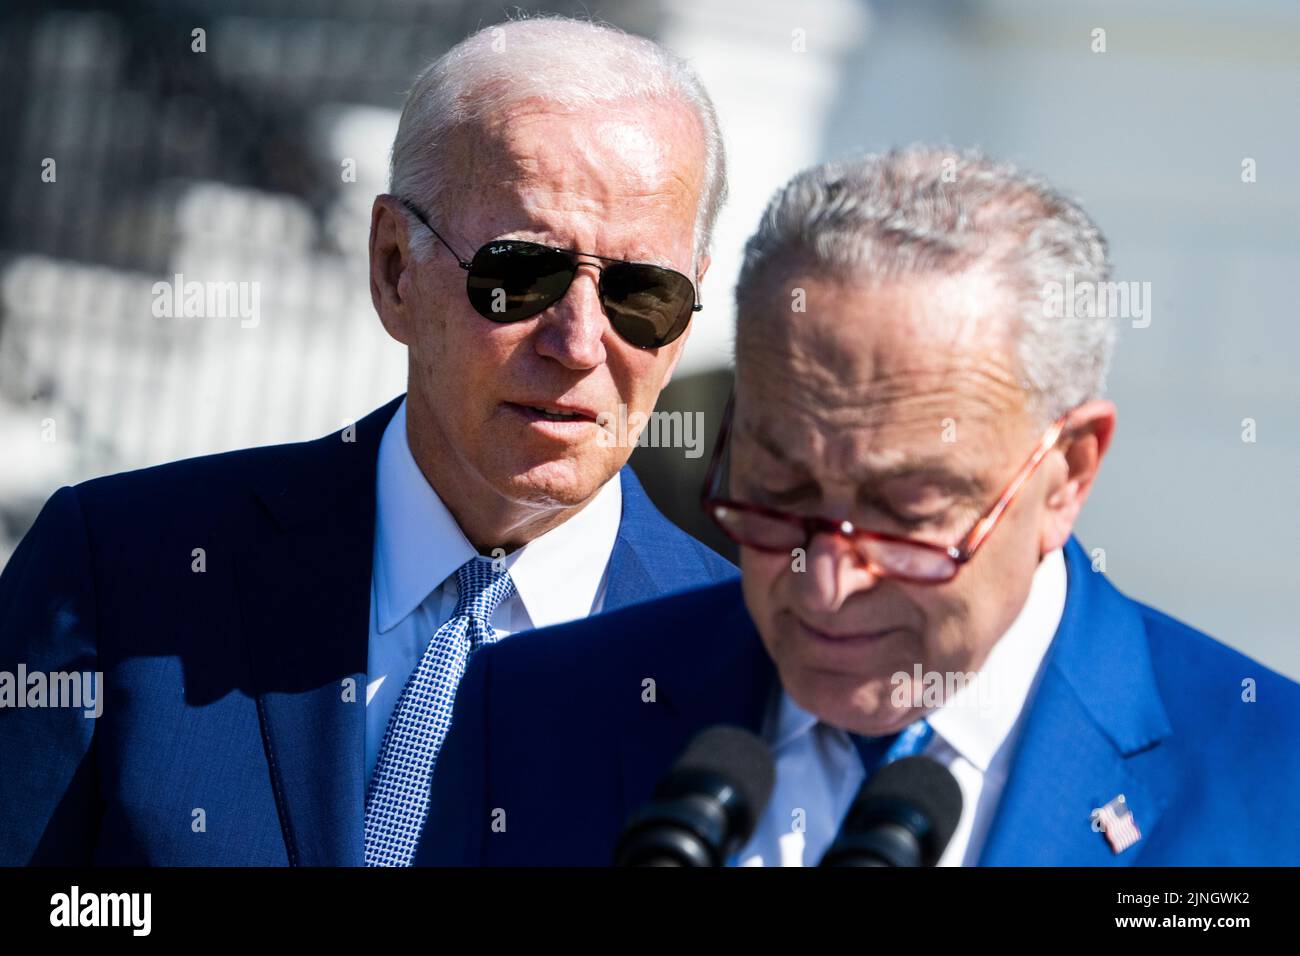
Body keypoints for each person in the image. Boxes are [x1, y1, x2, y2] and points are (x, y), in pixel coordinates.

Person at [416, 147, 1300, 866]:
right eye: (779, 488)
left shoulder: (1272, 782)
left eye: (908, 512)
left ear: (1067, 472)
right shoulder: (538, 709)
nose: (826, 583)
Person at [0, 17, 736, 866]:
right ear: (394, 267)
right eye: (517, 275)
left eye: (644, 292)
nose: (577, 342)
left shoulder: (748, 674)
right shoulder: (120, 570)